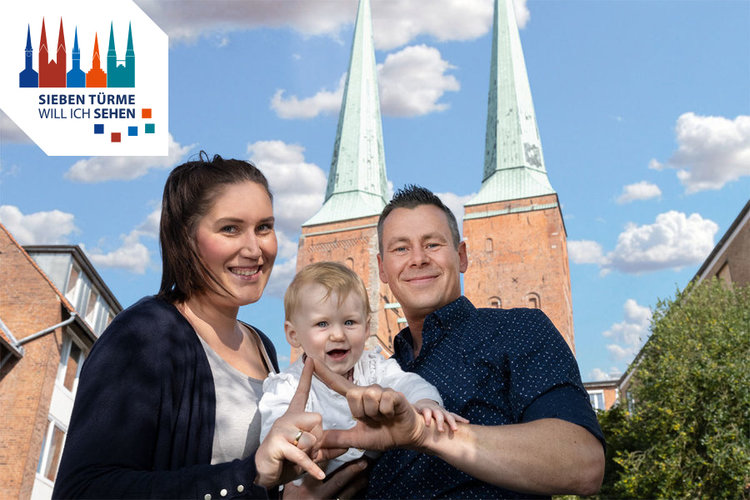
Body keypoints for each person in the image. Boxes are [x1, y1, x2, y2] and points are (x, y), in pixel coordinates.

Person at [52, 153, 334, 499]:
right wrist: (250, 473)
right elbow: (82, 491)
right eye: (230, 228)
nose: (254, 248)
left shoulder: (262, 344)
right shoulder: (145, 335)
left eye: (264, 227)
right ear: (186, 239)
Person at [314, 185, 606, 498]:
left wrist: (427, 433)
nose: (418, 259)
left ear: (462, 256)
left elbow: (583, 464)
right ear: (383, 269)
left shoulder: (518, 329)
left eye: (433, 244)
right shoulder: (376, 375)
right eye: (400, 249)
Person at [259, 261, 465, 484]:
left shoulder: (374, 367)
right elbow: (274, 435)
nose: (338, 334)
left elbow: (406, 382)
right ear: (293, 334)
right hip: (313, 483)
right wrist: (293, 442)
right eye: (322, 324)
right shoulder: (286, 385)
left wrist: (426, 403)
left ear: (367, 328)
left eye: (349, 322)